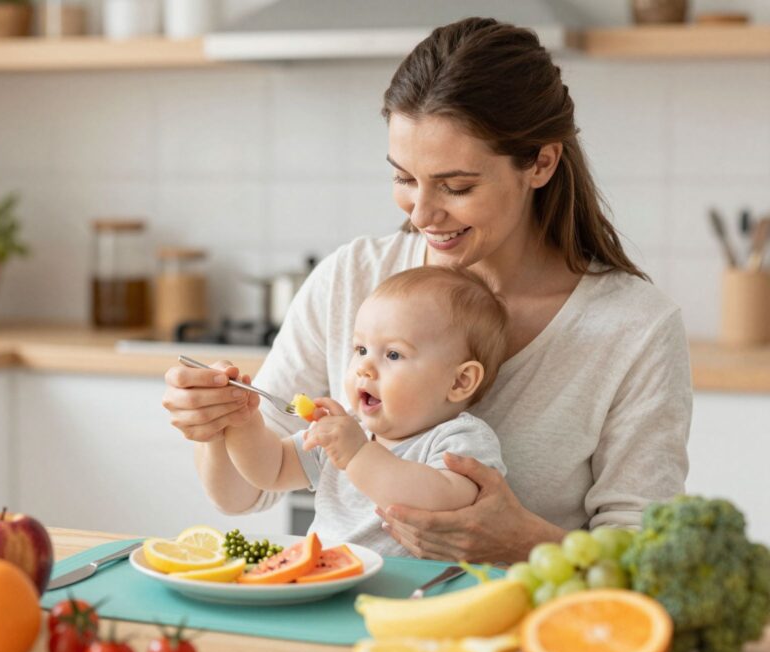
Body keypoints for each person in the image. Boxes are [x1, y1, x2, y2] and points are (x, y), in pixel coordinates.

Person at [161, 17, 691, 564]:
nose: (422, 214)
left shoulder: (634, 329)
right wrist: (218, 422)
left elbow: (649, 556)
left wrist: (525, 541)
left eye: (456, 186)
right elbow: (245, 491)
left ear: (541, 162)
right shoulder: (352, 277)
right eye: (403, 178)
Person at [221, 266, 509, 557]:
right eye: (360, 349)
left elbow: (441, 503)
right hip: (328, 577)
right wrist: (244, 424)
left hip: (411, 593)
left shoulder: (460, 439)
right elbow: (273, 470)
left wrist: (357, 454)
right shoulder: (349, 429)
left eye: (393, 354)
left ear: (460, 381)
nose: (364, 367)